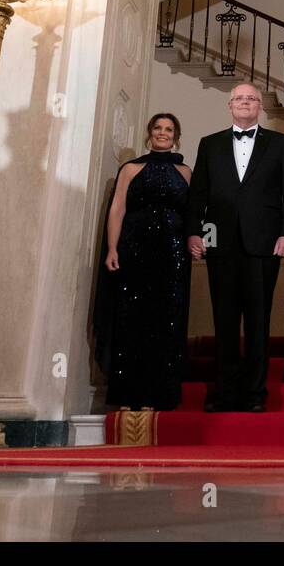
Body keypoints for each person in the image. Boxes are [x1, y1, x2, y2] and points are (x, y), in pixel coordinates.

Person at [186, 83, 284, 412]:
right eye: (239, 98)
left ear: (260, 106)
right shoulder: (210, 144)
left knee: (259, 322)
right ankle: (225, 393)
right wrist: (194, 232)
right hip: (220, 244)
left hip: (265, 244)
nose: (245, 103)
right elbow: (198, 194)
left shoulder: (280, 143)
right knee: (225, 321)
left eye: (251, 99)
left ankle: (255, 394)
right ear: (230, 106)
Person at [99, 113, 192, 411]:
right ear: (149, 133)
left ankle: (159, 394)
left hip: (173, 254)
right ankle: (129, 395)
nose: (162, 133)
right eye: (157, 128)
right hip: (134, 251)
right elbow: (117, 209)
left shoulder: (186, 172)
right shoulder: (130, 169)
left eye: (169, 129)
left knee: (166, 320)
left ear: (176, 136)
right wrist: (112, 248)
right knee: (133, 319)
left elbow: (194, 214)